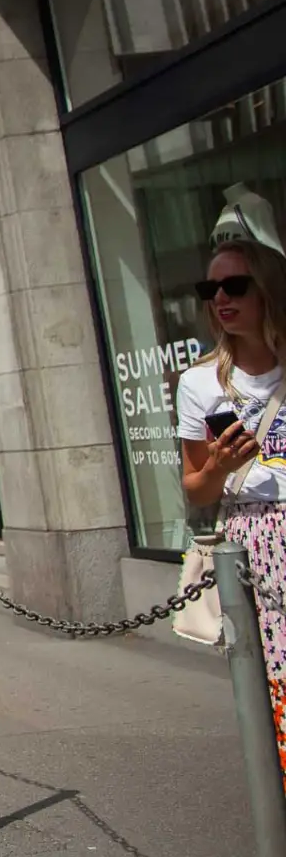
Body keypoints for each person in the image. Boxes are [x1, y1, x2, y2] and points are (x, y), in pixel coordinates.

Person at [178, 185, 286, 772]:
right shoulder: (200, 384)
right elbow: (195, 489)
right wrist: (218, 467)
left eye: (235, 285)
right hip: (256, 546)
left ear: (267, 287)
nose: (220, 298)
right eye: (210, 289)